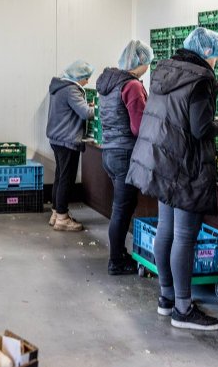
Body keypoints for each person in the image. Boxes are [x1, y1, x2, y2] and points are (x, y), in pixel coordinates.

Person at [126, 27, 218, 331]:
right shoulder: (200, 80)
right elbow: (200, 128)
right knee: (184, 236)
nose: (217, 63)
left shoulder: (165, 70)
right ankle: (183, 309)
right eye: (217, 57)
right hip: (185, 165)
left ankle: (167, 298)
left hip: (162, 160)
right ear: (208, 53)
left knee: (166, 230)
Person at [96, 40, 154, 276]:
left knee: (123, 206)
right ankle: (116, 261)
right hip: (124, 153)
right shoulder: (131, 86)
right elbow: (139, 127)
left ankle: (119, 253)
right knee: (121, 208)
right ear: (141, 62)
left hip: (109, 151)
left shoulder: (109, 84)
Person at [46, 60, 95, 232]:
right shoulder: (72, 89)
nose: (87, 82)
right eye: (86, 78)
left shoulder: (58, 87)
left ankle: (56, 213)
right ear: (78, 76)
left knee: (60, 176)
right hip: (67, 140)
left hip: (56, 138)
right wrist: (99, 107)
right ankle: (62, 218)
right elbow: (86, 114)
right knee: (66, 178)